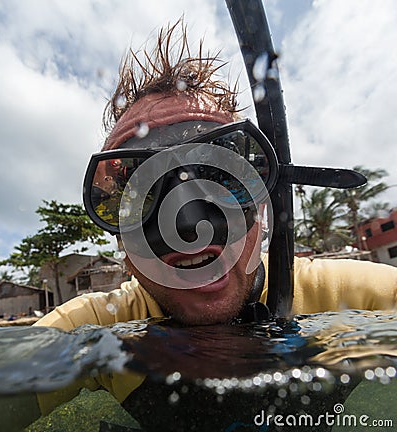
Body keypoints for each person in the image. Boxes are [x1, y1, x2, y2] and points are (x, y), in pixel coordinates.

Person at [34, 19, 397, 418]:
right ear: (121, 243)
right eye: (141, 194)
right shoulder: (96, 328)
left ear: (265, 202)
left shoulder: (353, 298)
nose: (188, 224)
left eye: (221, 175)